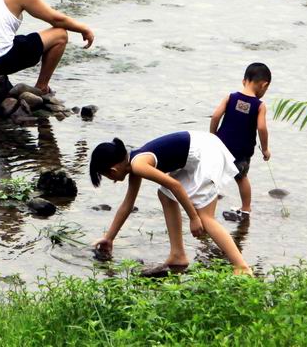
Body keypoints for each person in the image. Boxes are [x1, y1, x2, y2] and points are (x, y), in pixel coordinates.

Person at [90, 131, 252, 275]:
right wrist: (109, 238)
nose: (112, 181)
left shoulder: (138, 165)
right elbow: (127, 205)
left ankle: (242, 266)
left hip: (206, 152)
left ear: (113, 170)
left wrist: (193, 217)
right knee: (165, 195)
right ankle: (178, 255)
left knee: (205, 218)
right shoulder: (134, 165)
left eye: (107, 177)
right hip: (202, 147)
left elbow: (175, 185)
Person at [209, 63, 271, 220]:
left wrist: (212, 135)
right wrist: (265, 149)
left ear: (244, 81)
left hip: (221, 147)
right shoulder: (259, 105)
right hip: (242, 151)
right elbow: (262, 128)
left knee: (213, 178)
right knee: (241, 178)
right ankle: (245, 209)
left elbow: (216, 116)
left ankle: (206, 209)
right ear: (264, 85)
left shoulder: (231, 97)